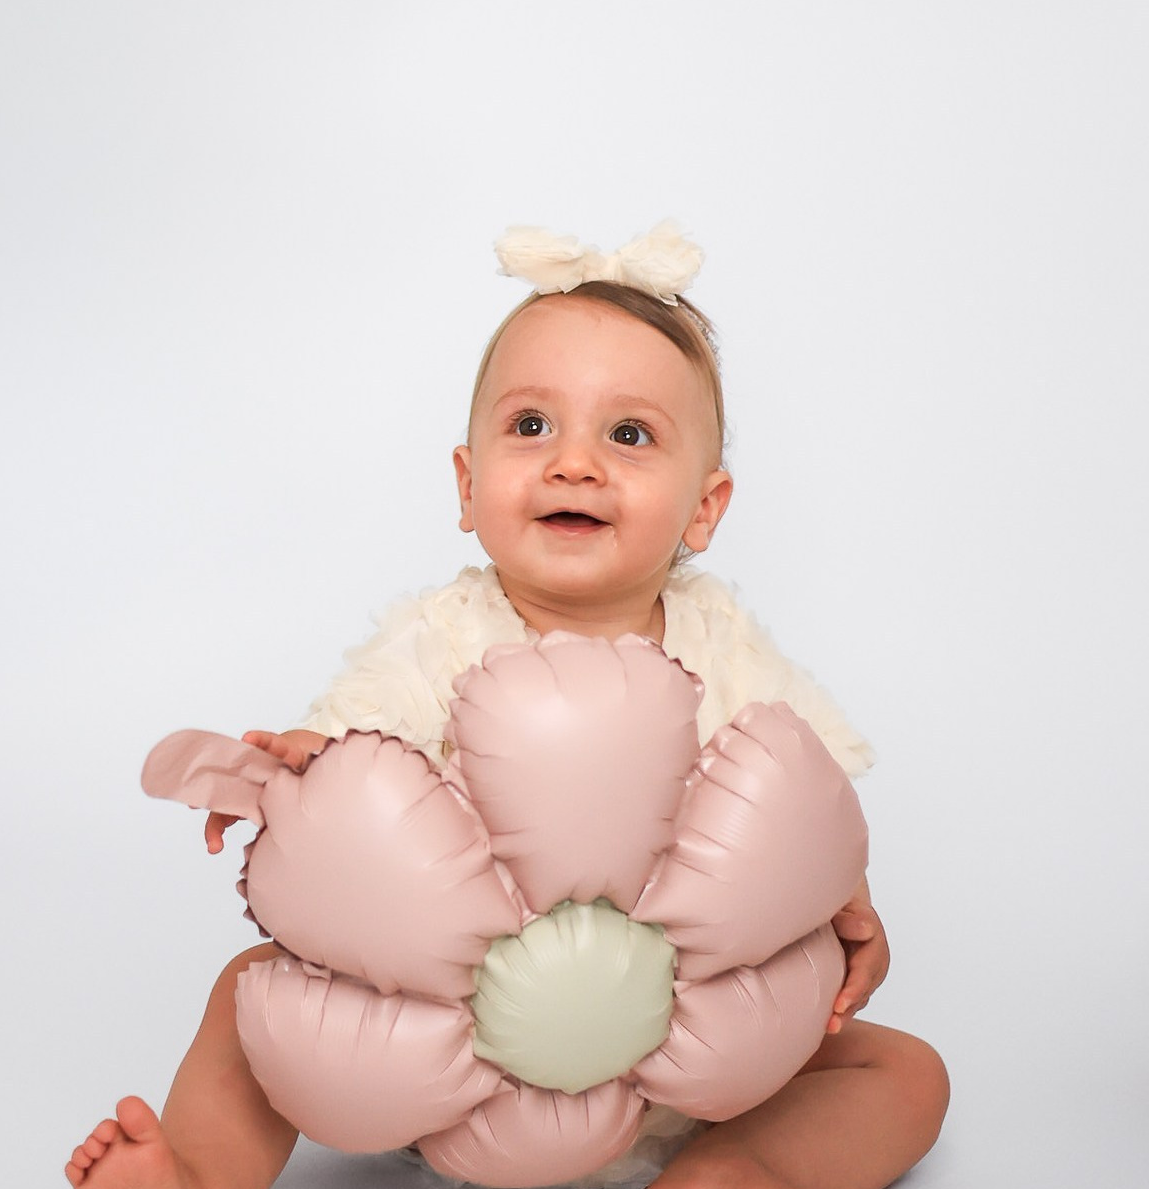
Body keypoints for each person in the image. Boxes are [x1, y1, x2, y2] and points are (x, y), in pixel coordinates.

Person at [66, 224, 949, 1189]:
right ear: (468, 483)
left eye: (629, 435)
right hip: (446, 1073)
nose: (574, 463)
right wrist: (292, 771)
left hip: (683, 1071)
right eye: (532, 426)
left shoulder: (725, 647)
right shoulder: (440, 638)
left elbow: (799, 801)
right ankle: (196, 1170)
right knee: (249, 998)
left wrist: (846, 908)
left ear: (706, 505)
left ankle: (734, 1174)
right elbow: (357, 754)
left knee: (903, 1071)